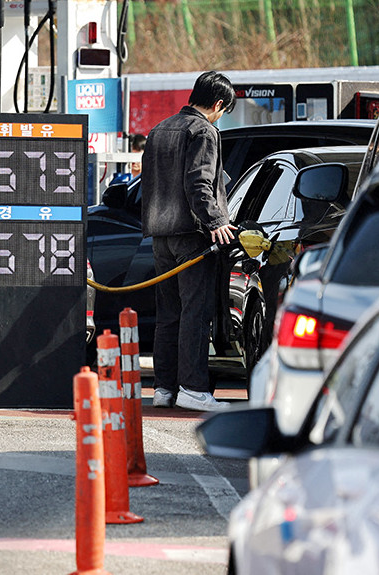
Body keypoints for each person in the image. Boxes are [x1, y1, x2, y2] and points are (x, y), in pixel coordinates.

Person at [139, 70, 237, 412]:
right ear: (218, 104)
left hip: (159, 236)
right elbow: (199, 183)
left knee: (169, 314)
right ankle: (194, 388)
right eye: (223, 113)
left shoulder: (159, 129)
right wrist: (216, 221)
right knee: (196, 313)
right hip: (191, 236)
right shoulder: (204, 131)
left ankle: (164, 388)